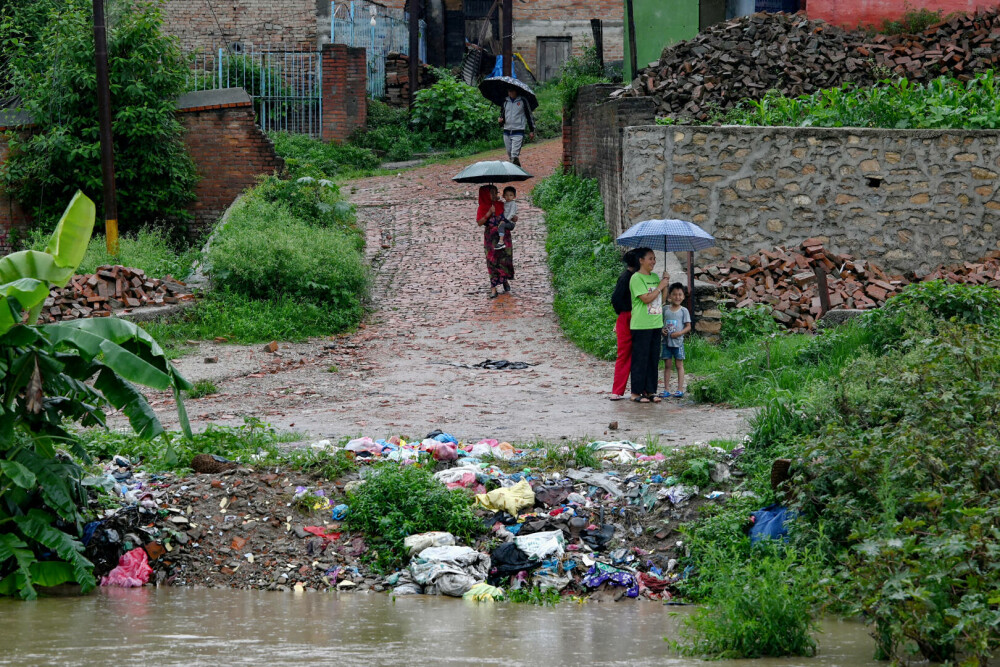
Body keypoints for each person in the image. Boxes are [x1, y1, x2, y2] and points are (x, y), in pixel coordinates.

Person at [629, 248, 670, 403]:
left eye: (654, 259)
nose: (653, 262)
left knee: (653, 358)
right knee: (640, 358)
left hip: (655, 323)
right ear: (641, 260)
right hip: (641, 324)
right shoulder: (636, 278)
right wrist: (660, 286)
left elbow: (662, 300)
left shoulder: (654, 277)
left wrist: (665, 284)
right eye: (650, 259)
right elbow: (646, 299)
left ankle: (650, 390)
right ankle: (636, 392)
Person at [610, 249, 640, 400]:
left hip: (629, 316)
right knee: (625, 354)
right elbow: (615, 299)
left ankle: (620, 390)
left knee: (629, 354)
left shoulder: (634, 277)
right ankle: (618, 390)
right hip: (628, 316)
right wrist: (623, 314)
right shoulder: (626, 278)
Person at [476, 185, 509, 298]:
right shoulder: (483, 207)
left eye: (496, 192)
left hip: (503, 236)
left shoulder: (501, 204)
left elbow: (507, 217)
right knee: (491, 260)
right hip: (490, 238)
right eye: (492, 193)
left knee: (504, 260)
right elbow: (480, 222)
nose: (495, 195)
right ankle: (493, 287)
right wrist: (489, 212)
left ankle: (504, 280)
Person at [660, 283, 692, 398]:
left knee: (679, 365)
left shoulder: (684, 311)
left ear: (683, 296)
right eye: (674, 294)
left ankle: (679, 389)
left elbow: (688, 326)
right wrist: (662, 330)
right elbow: (660, 323)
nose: (677, 297)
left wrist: (679, 333)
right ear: (670, 296)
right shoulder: (665, 310)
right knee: (667, 365)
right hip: (665, 342)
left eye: (680, 295)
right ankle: (666, 389)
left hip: (678, 343)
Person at [498, 87, 535, 166]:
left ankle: (515, 171)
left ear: (516, 91)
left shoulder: (523, 101)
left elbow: (529, 116)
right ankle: (517, 167)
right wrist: (500, 121)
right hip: (506, 131)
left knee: (514, 155)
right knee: (509, 153)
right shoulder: (505, 101)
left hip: (518, 131)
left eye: (512, 91)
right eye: (509, 91)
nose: (510, 93)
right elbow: (502, 116)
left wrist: (532, 130)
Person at [496, 186, 518, 250]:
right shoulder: (505, 203)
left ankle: (501, 242)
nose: (508, 197)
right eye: (506, 195)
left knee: (502, 225)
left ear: (514, 197)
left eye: (510, 195)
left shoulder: (513, 204)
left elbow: (511, 213)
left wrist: (505, 220)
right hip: (505, 221)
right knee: (500, 225)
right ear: (503, 196)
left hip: (510, 223)